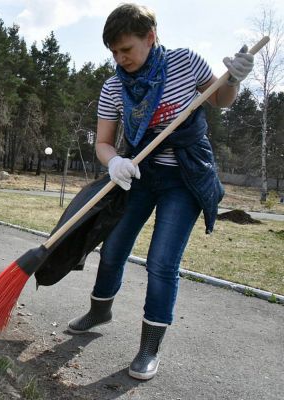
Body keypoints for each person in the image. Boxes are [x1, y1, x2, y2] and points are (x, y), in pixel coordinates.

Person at [66, 4, 254, 380]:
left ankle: (149, 348)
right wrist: (114, 161)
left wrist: (232, 80)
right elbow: (104, 142)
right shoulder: (113, 86)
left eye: (127, 50)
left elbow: (219, 100)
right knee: (114, 247)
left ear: (150, 38)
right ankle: (100, 309)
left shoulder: (185, 63)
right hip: (137, 174)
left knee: (162, 263)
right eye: (114, 53)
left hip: (184, 178)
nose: (121, 59)